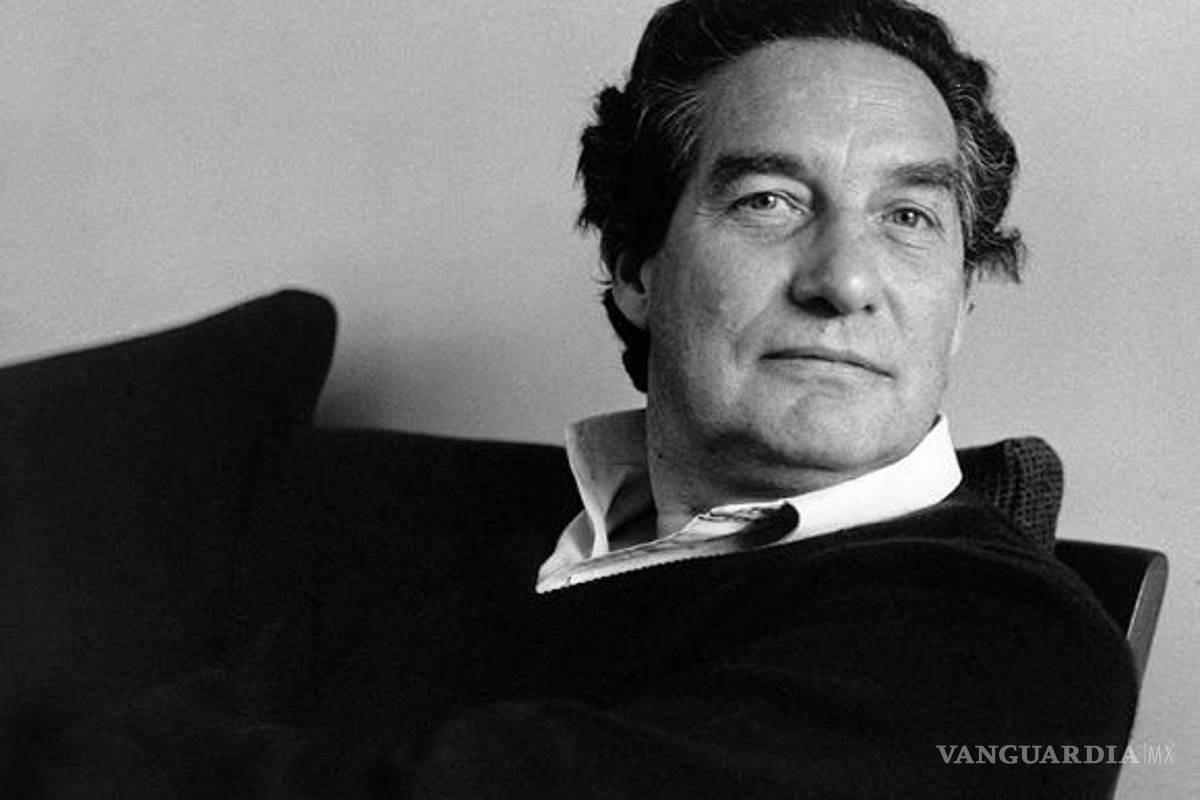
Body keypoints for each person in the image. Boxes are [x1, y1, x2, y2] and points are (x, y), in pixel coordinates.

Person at [42, 1, 1136, 797]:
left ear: (960, 300)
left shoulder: (1003, 642)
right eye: (769, 200)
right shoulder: (496, 545)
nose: (844, 280)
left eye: (910, 218)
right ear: (634, 269)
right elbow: (94, 758)